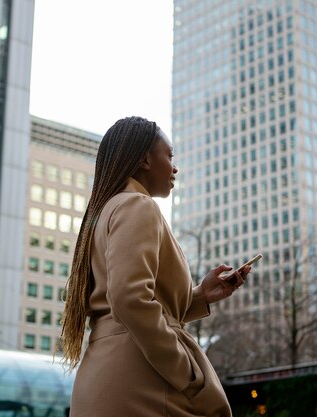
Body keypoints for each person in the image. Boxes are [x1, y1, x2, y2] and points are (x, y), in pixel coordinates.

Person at [60, 116, 251, 417]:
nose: (175, 167)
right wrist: (188, 374)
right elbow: (129, 300)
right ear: (145, 160)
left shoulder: (107, 210)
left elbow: (127, 300)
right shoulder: (138, 205)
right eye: (170, 155)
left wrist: (200, 295)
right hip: (143, 380)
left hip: (106, 377)